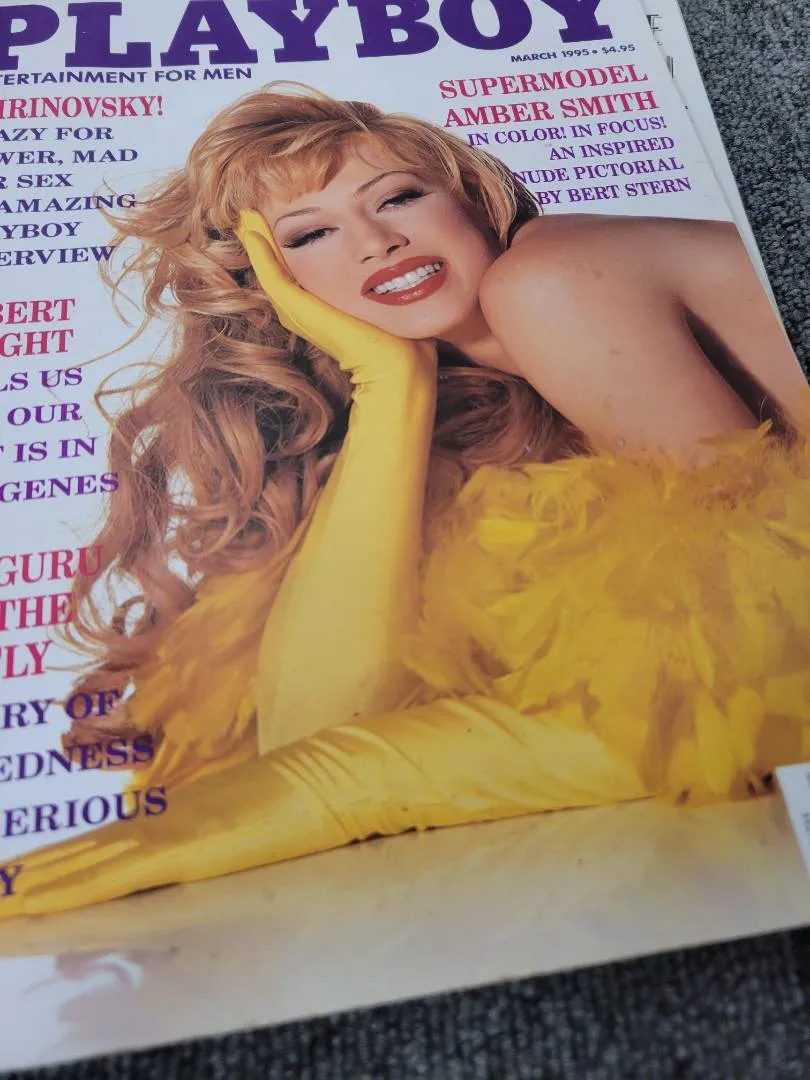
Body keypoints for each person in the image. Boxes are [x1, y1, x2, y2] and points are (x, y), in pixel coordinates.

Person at [5, 84, 809, 917]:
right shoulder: (489, 417)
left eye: (398, 197)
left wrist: (365, 781)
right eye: (311, 234)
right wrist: (391, 381)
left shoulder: (552, 282)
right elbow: (311, 728)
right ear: (274, 287)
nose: (377, 242)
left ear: (472, 198)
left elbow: (761, 661)